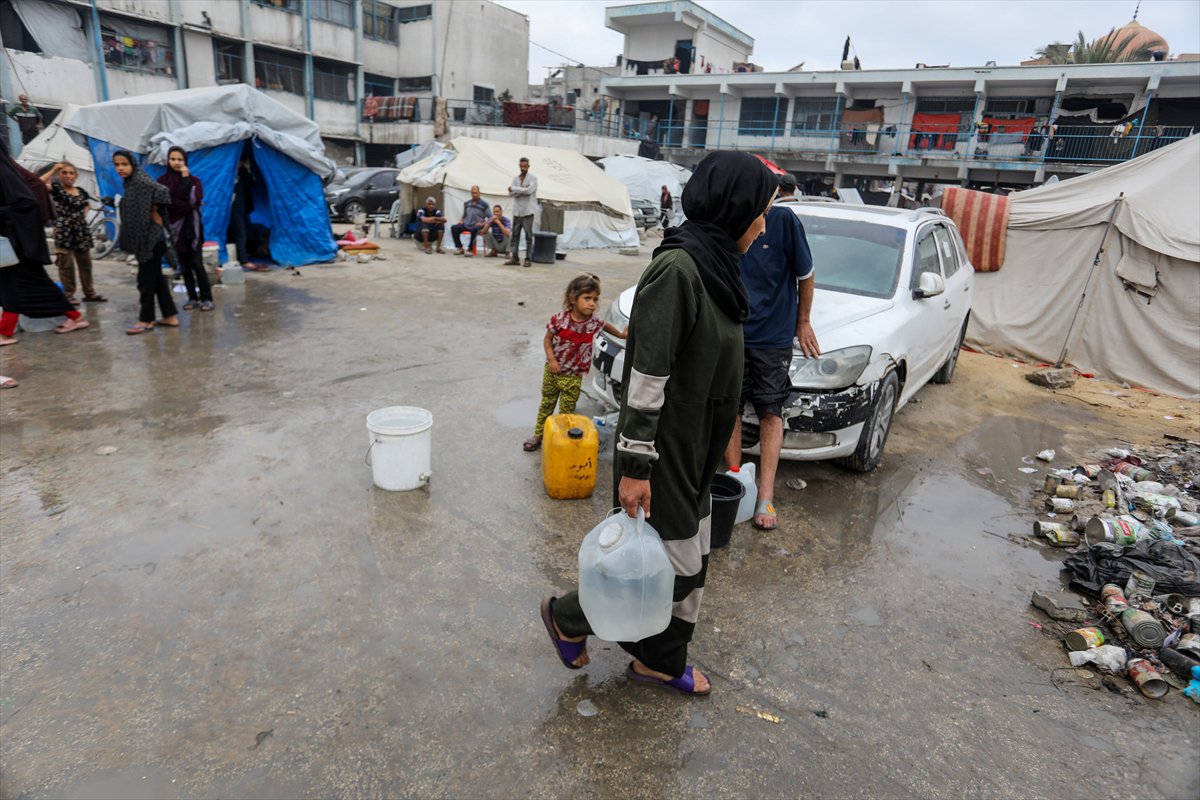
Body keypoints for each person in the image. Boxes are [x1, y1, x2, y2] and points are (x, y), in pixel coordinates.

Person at [539, 151, 776, 696]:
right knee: (673, 566)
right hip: (663, 450)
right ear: (733, 206)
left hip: (695, 450)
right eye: (759, 211)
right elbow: (647, 377)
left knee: (691, 558)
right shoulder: (679, 271)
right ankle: (569, 617)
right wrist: (635, 465)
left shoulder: (718, 268)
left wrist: (726, 446)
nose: (762, 225)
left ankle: (659, 663)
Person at [724, 173, 818, 531]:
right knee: (728, 408)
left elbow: (805, 274)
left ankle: (765, 495)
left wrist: (803, 321)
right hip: (734, 332)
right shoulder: (730, 220)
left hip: (773, 337)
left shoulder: (783, 221)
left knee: (770, 411)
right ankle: (735, 479)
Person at [0, 139, 90, 346]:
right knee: (19, 285)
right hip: (17, 242)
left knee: (15, 286)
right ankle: (74, 317)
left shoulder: (4, 173)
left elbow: (27, 203)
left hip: (20, 243)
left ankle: (5, 332)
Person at [523, 273, 626, 452]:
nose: (592, 303)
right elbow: (547, 340)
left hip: (573, 376)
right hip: (553, 372)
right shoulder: (560, 320)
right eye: (587, 298)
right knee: (547, 403)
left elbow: (606, 326)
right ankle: (538, 434)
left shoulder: (593, 322)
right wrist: (552, 360)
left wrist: (622, 335)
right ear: (573, 298)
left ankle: (560, 440)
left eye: (595, 299)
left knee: (566, 412)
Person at [113, 150, 179, 335]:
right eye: (117, 165)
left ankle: (146, 319)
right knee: (156, 279)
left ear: (132, 164)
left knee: (145, 281)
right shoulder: (131, 183)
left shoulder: (140, 182)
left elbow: (162, 191)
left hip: (150, 239)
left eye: (124, 164)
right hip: (149, 238)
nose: (120, 168)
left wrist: (154, 210)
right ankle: (170, 315)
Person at [157, 147, 214, 311]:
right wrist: (187, 205)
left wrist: (185, 179)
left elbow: (194, 200)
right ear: (168, 161)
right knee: (184, 266)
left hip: (192, 228)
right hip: (175, 229)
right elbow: (165, 203)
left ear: (185, 162)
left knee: (197, 264)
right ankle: (192, 298)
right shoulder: (162, 181)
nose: (176, 163)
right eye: (173, 159)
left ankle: (207, 298)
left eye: (180, 159)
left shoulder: (193, 181)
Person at [42, 162, 107, 305]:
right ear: (59, 175)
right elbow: (38, 184)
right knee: (66, 265)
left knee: (85, 264)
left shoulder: (81, 191)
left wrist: (80, 218)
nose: (68, 176)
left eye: (71, 173)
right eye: (64, 173)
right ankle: (68, 295)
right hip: (64, 231)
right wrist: (53, 170)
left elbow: (86, 205)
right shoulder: (56, 189)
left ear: (76, 176)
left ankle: (90, 293)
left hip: (81, 232)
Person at [505, 157, 537, 267]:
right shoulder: (515, 179)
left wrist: (515, 189)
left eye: (525, 166)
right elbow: (510, 194)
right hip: (517, 212)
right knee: (515, 236)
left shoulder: (533, 178)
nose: (523, 168)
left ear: (528, 166)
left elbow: (528, 191)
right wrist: (521, 189)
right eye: (521, 166)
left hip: (527, 212)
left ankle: (528, 259)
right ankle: (515, 258)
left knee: (528, 237)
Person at [450, 185, 490, 256]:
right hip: (466, 224)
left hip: (477, 225)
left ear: (479, 193)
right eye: (472, 193)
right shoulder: (467, 203)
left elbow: (490, 218)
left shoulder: (484, 204)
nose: (474, 195)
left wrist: (484, 223)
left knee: (474, 229)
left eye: (476, 193)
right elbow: (464, 215)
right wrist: (461, 220)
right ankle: (460, 248)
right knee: (454, 228)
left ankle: (470, 249)